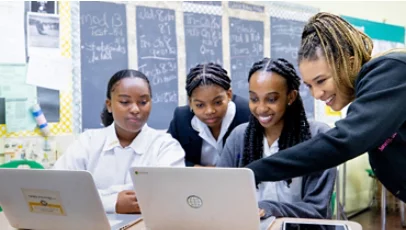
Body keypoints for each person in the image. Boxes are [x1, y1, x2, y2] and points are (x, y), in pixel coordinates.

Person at [246, 12, 406, 202]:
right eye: (309, 86)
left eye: (321, 81)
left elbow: (345, 141)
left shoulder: (392, 70)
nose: (317, 94)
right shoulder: (371, 93)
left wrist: (252, 172)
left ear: (351, 62)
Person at [217, 58, 336, 220]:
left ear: (291, 97)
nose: (261, 108)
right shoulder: (239, 137)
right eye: (254, 99)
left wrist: (270, 208)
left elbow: (317, 210)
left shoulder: (318, 137)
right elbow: (220, 195)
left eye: (271, 99)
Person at [54, 69, 185, 214]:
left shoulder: (166, 146)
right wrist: (113, 202)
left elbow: (166, 197)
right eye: (125, 102)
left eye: (143, 102)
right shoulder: (88, 142)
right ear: (109, 105)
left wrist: (91, 195)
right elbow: (57, 191)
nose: (135, 109)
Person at [167, 63, 250, 167]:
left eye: (217, 102)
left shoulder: (247, 115)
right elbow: (167, 157)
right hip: (196, 182)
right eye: (200, 105)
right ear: (190, 102)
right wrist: (197, 169)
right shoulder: (181, 119)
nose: (209, 111)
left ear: (229, 95)